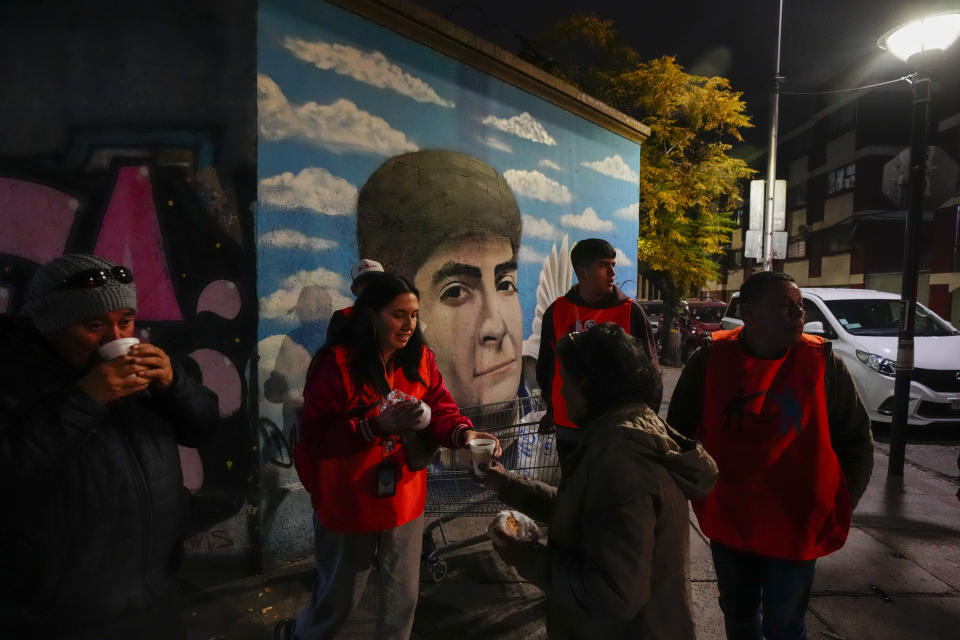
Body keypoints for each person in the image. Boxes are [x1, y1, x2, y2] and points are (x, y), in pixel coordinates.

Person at [0, 254, 219, 639]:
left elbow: (203, 428)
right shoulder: (13, 377)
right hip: (63, 614)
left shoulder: (147, 370)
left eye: (125, 321)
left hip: (155, 592)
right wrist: (84, 400)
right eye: (94, 325)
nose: (116, 339)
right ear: (52, 326)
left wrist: (175, 385)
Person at [277, 274, 502, 640]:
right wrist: (373, 425)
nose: (409, 325)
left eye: (414, 315)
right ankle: (299, 635)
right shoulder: (335, 365)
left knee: (403, 598)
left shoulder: (421, 359)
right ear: (370, 316)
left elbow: (441, 408)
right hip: (350, 503)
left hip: (404, 498)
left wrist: (465, 433)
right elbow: (315, 439)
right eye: (398, 315)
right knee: (340, 598)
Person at [667, 270, 874, 640]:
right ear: (749, 313)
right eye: (785, 306)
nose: (799, 315)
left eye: (800, 306)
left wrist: (844, 499)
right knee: (739, 611)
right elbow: (678, 433)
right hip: (731, 517)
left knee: (785, 624)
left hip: (795, 522)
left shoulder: (823, 362)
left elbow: (856, 439)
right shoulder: (711, 358)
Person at [477, 323, 718, 639]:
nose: (561, 391)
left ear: (590, 386)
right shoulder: (627, 431)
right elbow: (586, 512)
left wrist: (523, 554)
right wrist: (506, 484)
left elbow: (611, 596)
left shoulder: (621, 462)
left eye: (566, 381)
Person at [357, 150, 523, 411]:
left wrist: (460, 432)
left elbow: (442, 410)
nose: (496, 328)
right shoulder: (348, 369)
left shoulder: (425, 366)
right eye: (456, 291)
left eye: (505, 284)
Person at [536, 238, 660, 462]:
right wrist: (551, 409)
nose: (612, 272)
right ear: (582, 272)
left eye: (613, 265)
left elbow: (651, 373)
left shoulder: (631, 312)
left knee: (610, 493)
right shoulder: (557, 312)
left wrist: (646, 422)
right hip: (569, 426)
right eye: (604, 265)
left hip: (617, 428)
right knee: (574, 490)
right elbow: (546, 365)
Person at [326, 258, 385, 342]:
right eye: (366, 284)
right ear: (354, 290)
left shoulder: (399, 314)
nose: (373, 287)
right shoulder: (342, 317)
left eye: (378, 282)